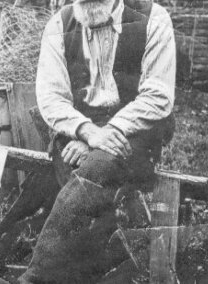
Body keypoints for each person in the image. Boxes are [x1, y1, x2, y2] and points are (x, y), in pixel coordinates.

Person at [18, 0, 176, 282]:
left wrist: (105, 133)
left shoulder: (154, 18)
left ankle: (37, 275)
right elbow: (51, 97)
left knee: (96, 168)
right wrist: (88, 132)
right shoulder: (58, 24)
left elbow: (158, 95)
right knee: (80, 173)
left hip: (134, 131)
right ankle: (98, 264)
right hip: (78, 131)